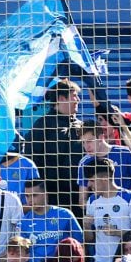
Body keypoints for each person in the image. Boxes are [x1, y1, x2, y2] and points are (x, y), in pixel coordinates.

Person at [29, 79, 86, 211]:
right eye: (74, 96)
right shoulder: (42, 125)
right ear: (61, 98)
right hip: (52, 197)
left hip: (79, 197)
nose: (78, 100)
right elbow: (33, 161)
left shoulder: (82, 127)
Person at [85, 160, 131, 262]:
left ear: (105, 179)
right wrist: (86, 227)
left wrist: (118, 233)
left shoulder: (130, 199)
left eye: (92, 180)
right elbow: (89, 239)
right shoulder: (92, 201)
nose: (89, 185)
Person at [77, 121, 131, 207]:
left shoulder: (124, 153)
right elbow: (82, 200)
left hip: (128, 208)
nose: (86, 147)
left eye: (89, 141)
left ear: (101, 138)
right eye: (83, 142)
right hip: (101, 211)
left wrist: (117, 200)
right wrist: (100, 207)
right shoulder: (84, 163)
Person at [20, 180, 83, 262]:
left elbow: (80, 242)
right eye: (27, 196)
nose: (30, 200)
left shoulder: (64, 214)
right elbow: (22, 251)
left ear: (45, 194)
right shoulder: (24, 222)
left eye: (34, 195)